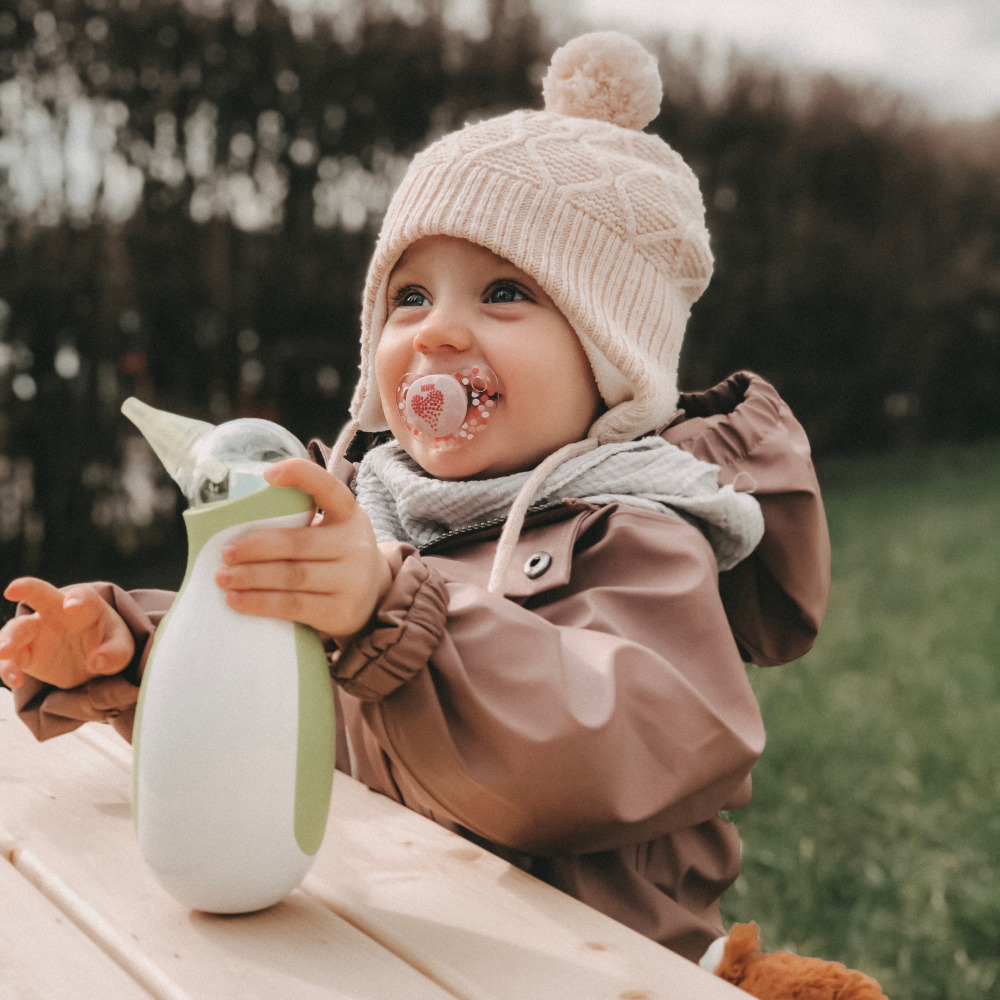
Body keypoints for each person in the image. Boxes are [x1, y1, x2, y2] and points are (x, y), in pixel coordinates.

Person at [2, 32, 876, 995]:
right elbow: (288, 696)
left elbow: (605, 751)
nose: (437, 331)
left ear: (614, 357)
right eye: (408, 297)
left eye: (505, 293)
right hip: (379, 935)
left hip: (587, 967)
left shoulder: (637, 534)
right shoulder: (376, 515)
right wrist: (131, 653)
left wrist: (389, 613)